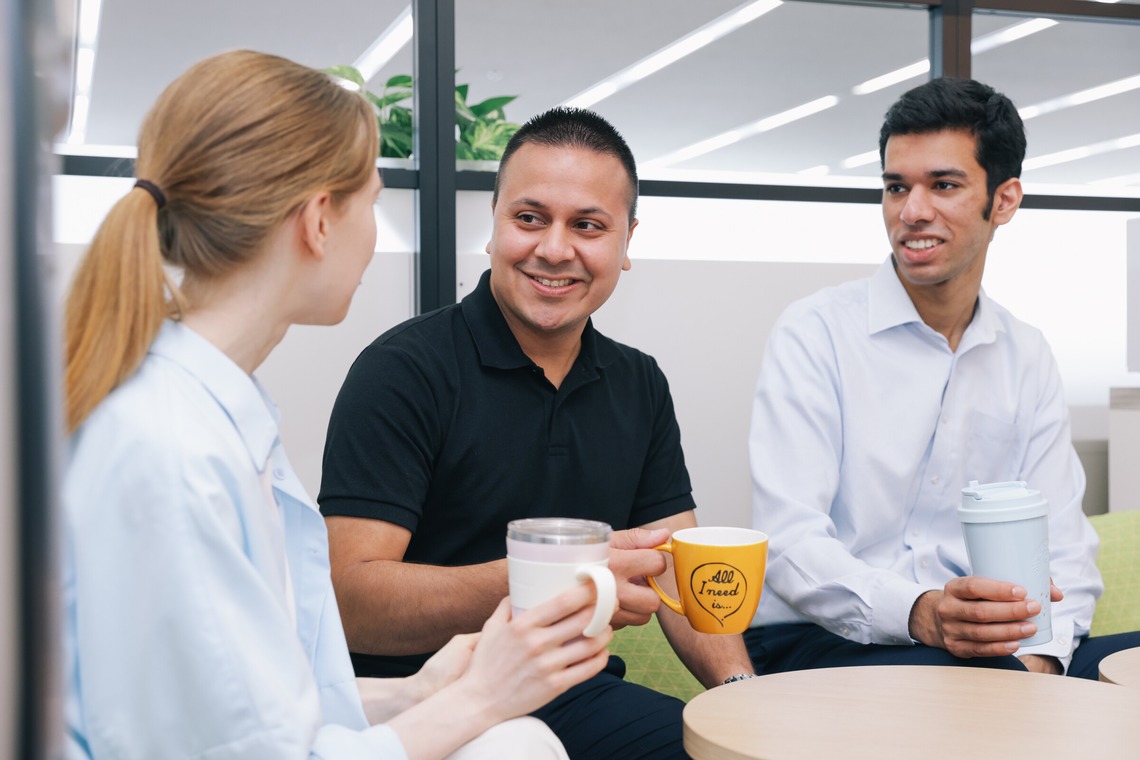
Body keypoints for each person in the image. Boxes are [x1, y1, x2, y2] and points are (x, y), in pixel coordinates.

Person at [61, 50, 615, 760]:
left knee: (519, 741)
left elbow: (265, 711)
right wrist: (484, 697)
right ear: (320, 220)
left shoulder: (207, 417)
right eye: (374, 202)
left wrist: (421, 688)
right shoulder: (171, 453)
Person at [319, 106, 756, 759]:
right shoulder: (404, 370)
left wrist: (745, 700)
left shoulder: (639, 382)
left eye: (587, 225)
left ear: (627, 241)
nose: (555, 249)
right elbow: (350, 598)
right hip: (426, 698)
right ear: (493, 226)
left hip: (578, 692)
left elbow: (679, 570)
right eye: (529, 219)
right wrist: (558, 581)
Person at [744, 77, 1140, 679]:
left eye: (944, 185)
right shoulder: (815, 332)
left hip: (989, 649)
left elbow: (1065, 549)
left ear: (1004, 201)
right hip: (826, 639)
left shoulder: (1025, 354)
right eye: (896, 186)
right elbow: (789, 542)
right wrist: (922, 612)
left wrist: (1041, 662)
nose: (912, 211)